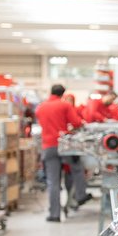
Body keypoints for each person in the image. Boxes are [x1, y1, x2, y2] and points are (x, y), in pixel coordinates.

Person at [35, 84, 91, 222]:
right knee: (77, 168)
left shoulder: (40, 107)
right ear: (63, 94)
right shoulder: (64, 106)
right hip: (63, 145)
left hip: (48, 146)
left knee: (52, 182)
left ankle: (54, 214)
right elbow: (76, 122)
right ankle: (80, 195)